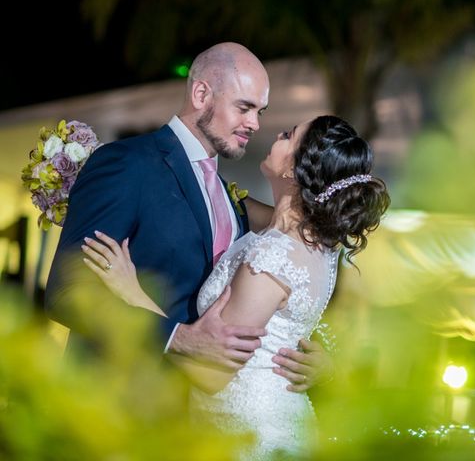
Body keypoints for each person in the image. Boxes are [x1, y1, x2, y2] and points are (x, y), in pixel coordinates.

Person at [82, 115, 390, 459]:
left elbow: (210, 376)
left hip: (246, 431)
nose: (275, 133)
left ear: (295, 170)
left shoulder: (272, 256)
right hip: (270, 417)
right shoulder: (317, 240)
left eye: (289, 136)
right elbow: (213, 200)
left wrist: (133, 294)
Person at [44, 42, 329, 390]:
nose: (254, 123)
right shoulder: (127, 164)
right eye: (244, 107)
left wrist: (309, 351)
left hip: (196, 417)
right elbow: (67, 292)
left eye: (260, 111)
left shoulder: (230, 199)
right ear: (200, 94)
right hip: (117, 404)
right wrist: (176, 337)